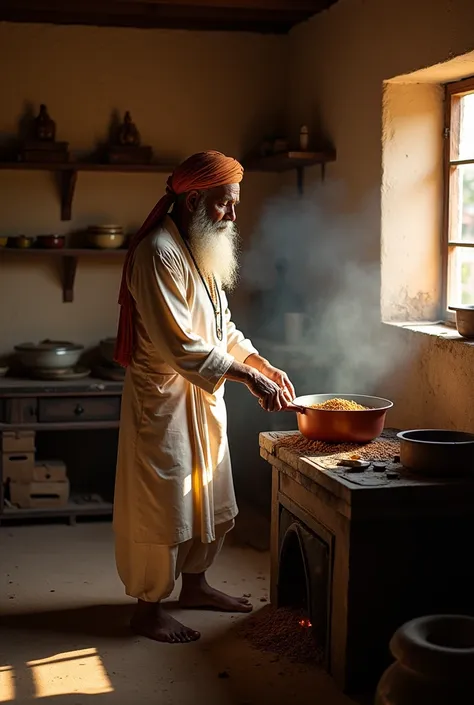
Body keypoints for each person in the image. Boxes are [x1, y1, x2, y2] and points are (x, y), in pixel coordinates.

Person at [113, 150, 296, 644]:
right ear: (194, 199)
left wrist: (259, 363)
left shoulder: (200, 245)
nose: (234, 216)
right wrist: (248, 380)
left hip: (200, 399)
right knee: (165, 505)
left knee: (207, 496)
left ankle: (195, 586)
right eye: (225, 204)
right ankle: (148, 610)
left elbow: (220, 328)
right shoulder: (158, 253)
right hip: (165, 403)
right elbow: (182, 346)